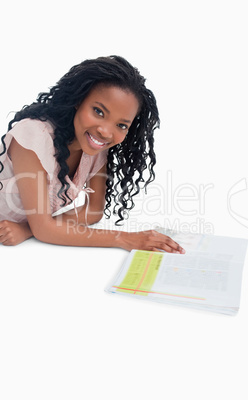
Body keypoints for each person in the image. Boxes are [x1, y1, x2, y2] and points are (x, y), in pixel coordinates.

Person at [0, 55, 185, 253]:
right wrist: (125, 239)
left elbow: (94, 211)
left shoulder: (95, 149)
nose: (105, 132)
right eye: (98, 111)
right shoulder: (33, 137)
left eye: (121, 125)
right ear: (79, 101)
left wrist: (29, 229)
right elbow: (44, 230)